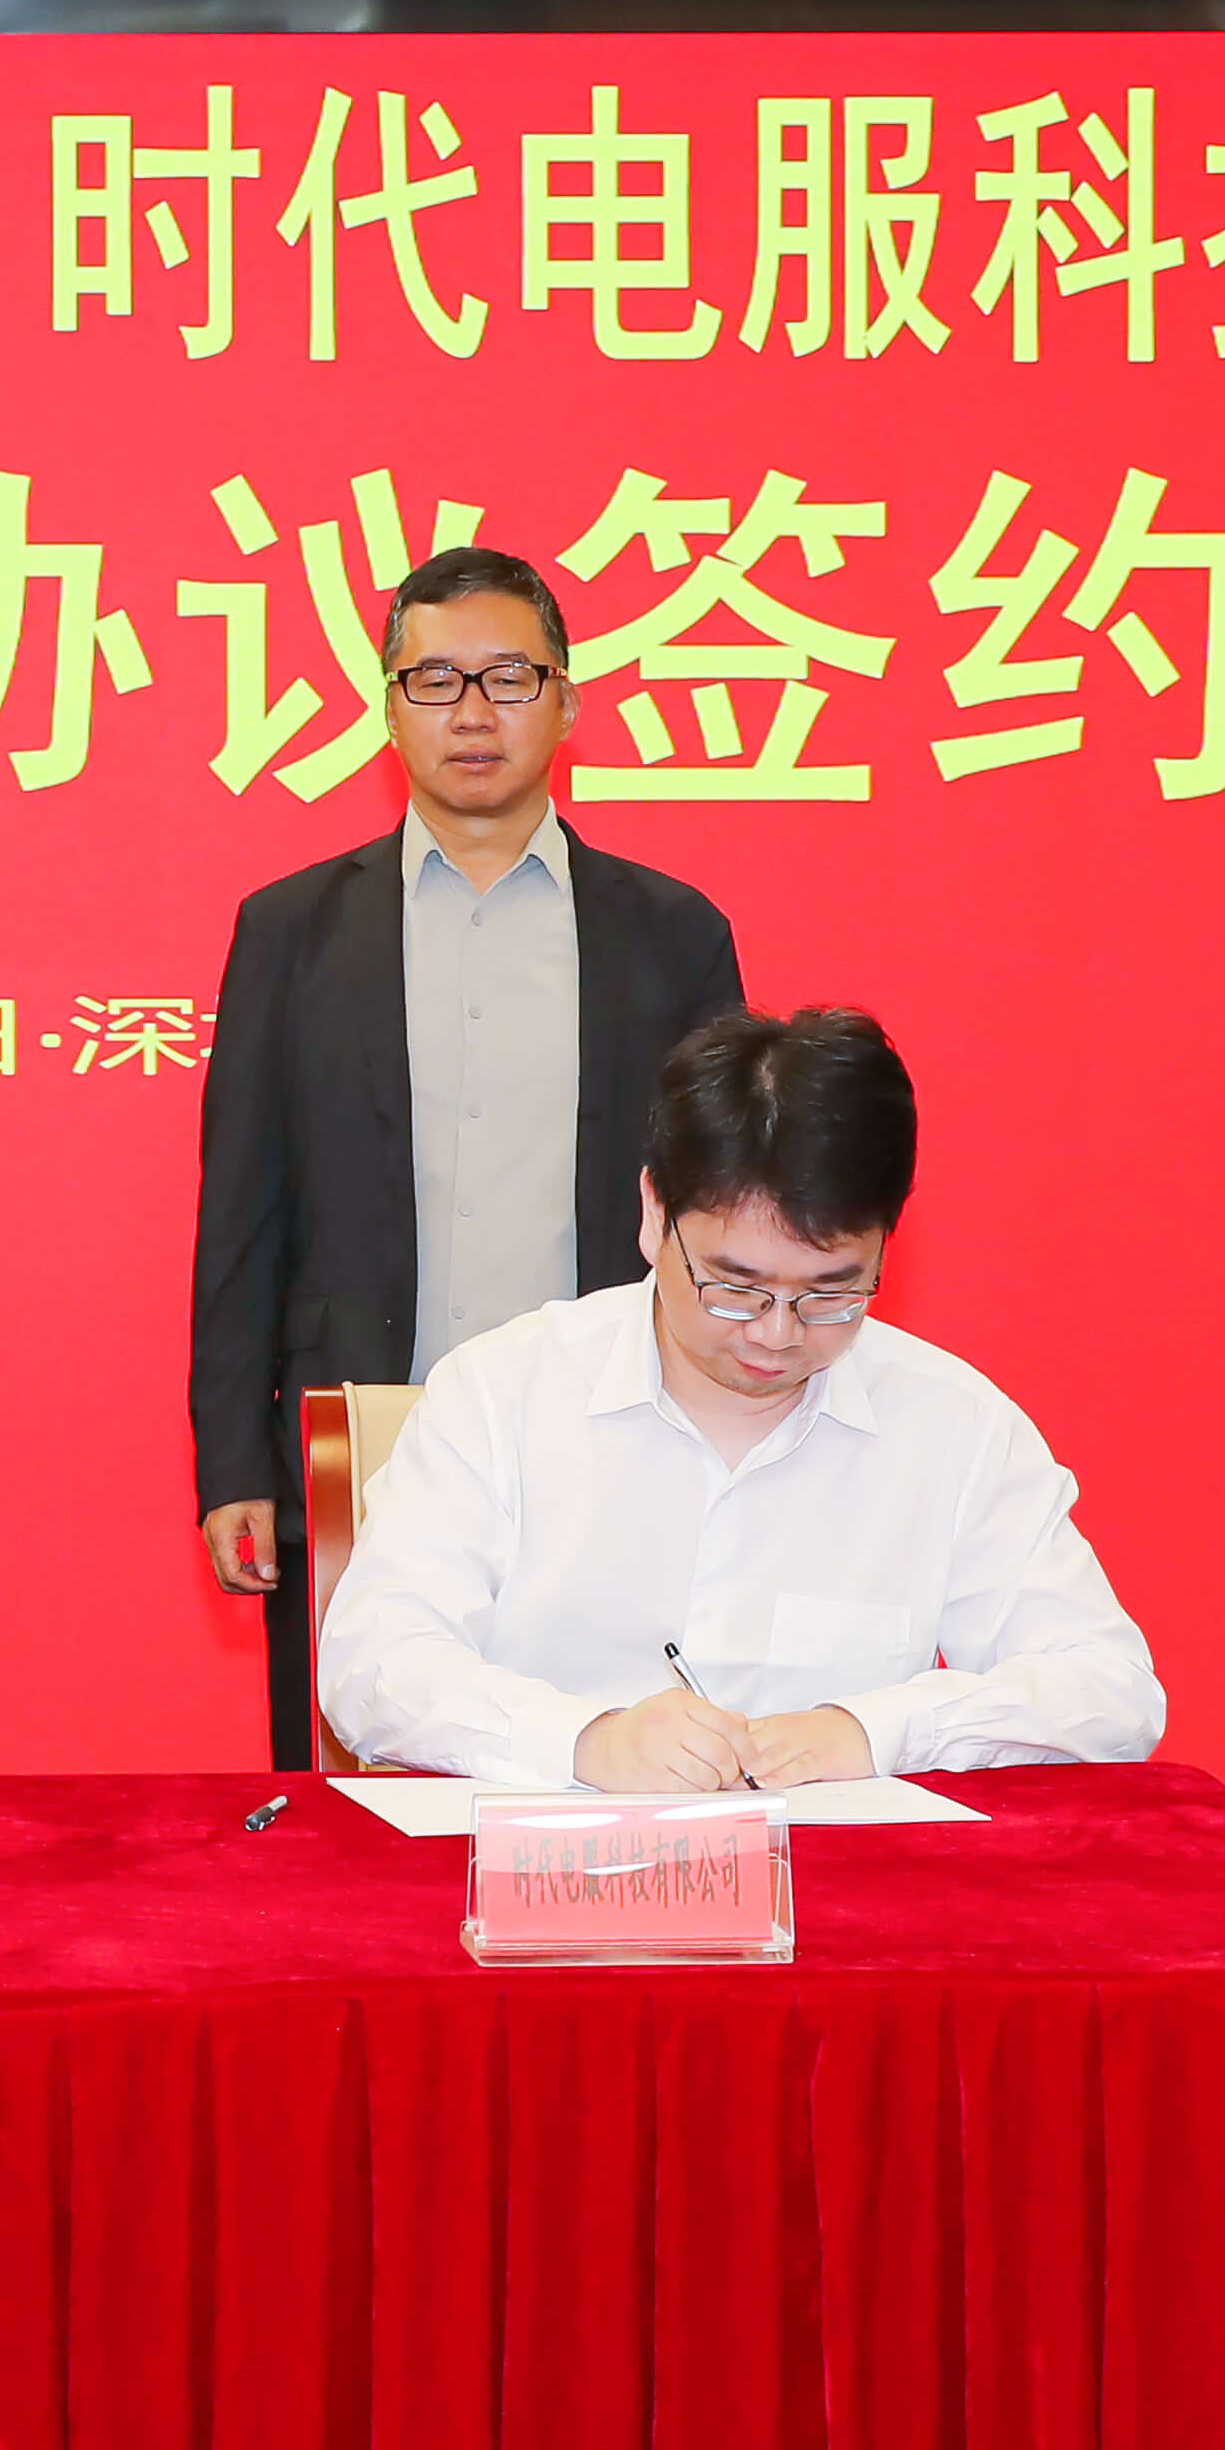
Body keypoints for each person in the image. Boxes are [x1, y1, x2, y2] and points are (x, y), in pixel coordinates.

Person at [189, 542, 742, 1768]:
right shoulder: (289, 931)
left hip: (611, 1443)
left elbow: (722, 1215)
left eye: (508, 676)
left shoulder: (671, 934)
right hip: (364, 1437)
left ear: (566, 701)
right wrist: (233, 1462)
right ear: (388, 708)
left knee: (610, 1786)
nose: (472, 712)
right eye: (433, 681)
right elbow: (240, 1211)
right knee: (355, 1800)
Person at [317, 1005, 1160, 1790]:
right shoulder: (501, 1392)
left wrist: (877, 1731)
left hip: (833, 1882)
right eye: (734, 1288)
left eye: (831, 1293)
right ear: (654, 1215)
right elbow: (373, 1663)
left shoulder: (954, 1425)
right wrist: (584, 1741)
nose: (776, 1333)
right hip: (548, 1870)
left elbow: (1109, 1692)